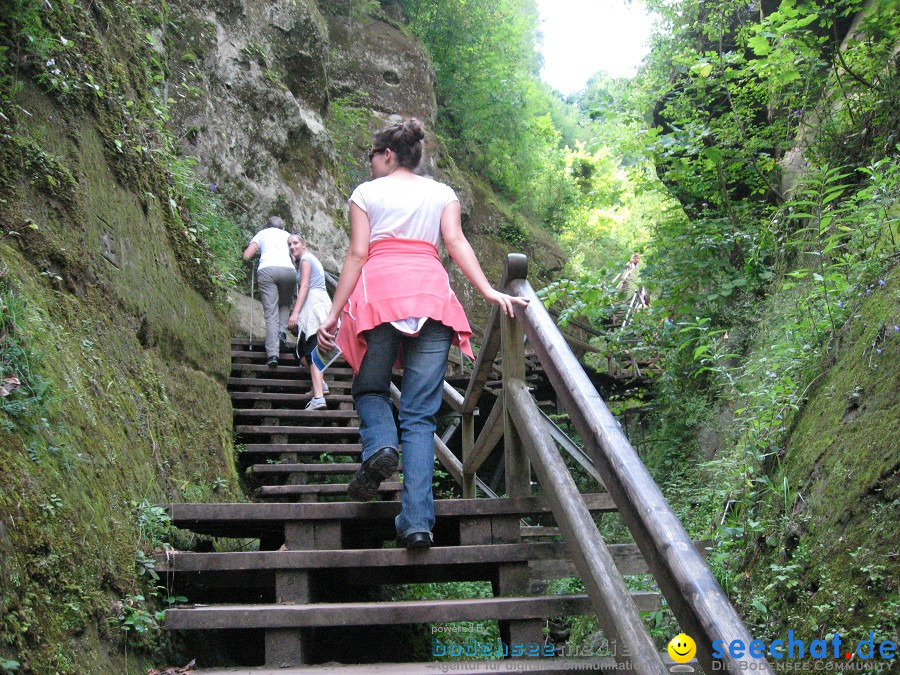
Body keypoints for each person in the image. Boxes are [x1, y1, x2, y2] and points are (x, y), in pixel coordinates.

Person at [317, 118, 529, 549]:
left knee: (370, 389)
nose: (372, 164)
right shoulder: (442, 193)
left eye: (374, 156)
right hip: (432, 299)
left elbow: (358, 254)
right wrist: (488, 290)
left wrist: (333, 315)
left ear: (388, 154)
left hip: (382, 299)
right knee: (419, 418)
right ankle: (416, 524)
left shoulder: (366, 193)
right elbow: (455, 243)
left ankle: (379, 446)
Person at [287, 233, 332, 410]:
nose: (292, 246)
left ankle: (319, 397)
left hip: (314, 306)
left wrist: (295, 313)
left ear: (304, 244)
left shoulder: (306, 259)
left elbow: (304, 286)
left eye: (296, 243)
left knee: (312, 351)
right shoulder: (307, 260)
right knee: (302, 352)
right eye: (289, 244)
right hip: (315, 305)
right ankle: (321, 385)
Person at [243, 216, 295, 367]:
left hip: (267, 270)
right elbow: (294, 255)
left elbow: (247, 255)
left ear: (267, 226)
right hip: (288, 270)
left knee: (271, 312)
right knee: (285, 304)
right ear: (282, 228)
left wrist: (253, 257)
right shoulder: (287, 236)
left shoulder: (262, 234)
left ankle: (273, 354)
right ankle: (281, 334)